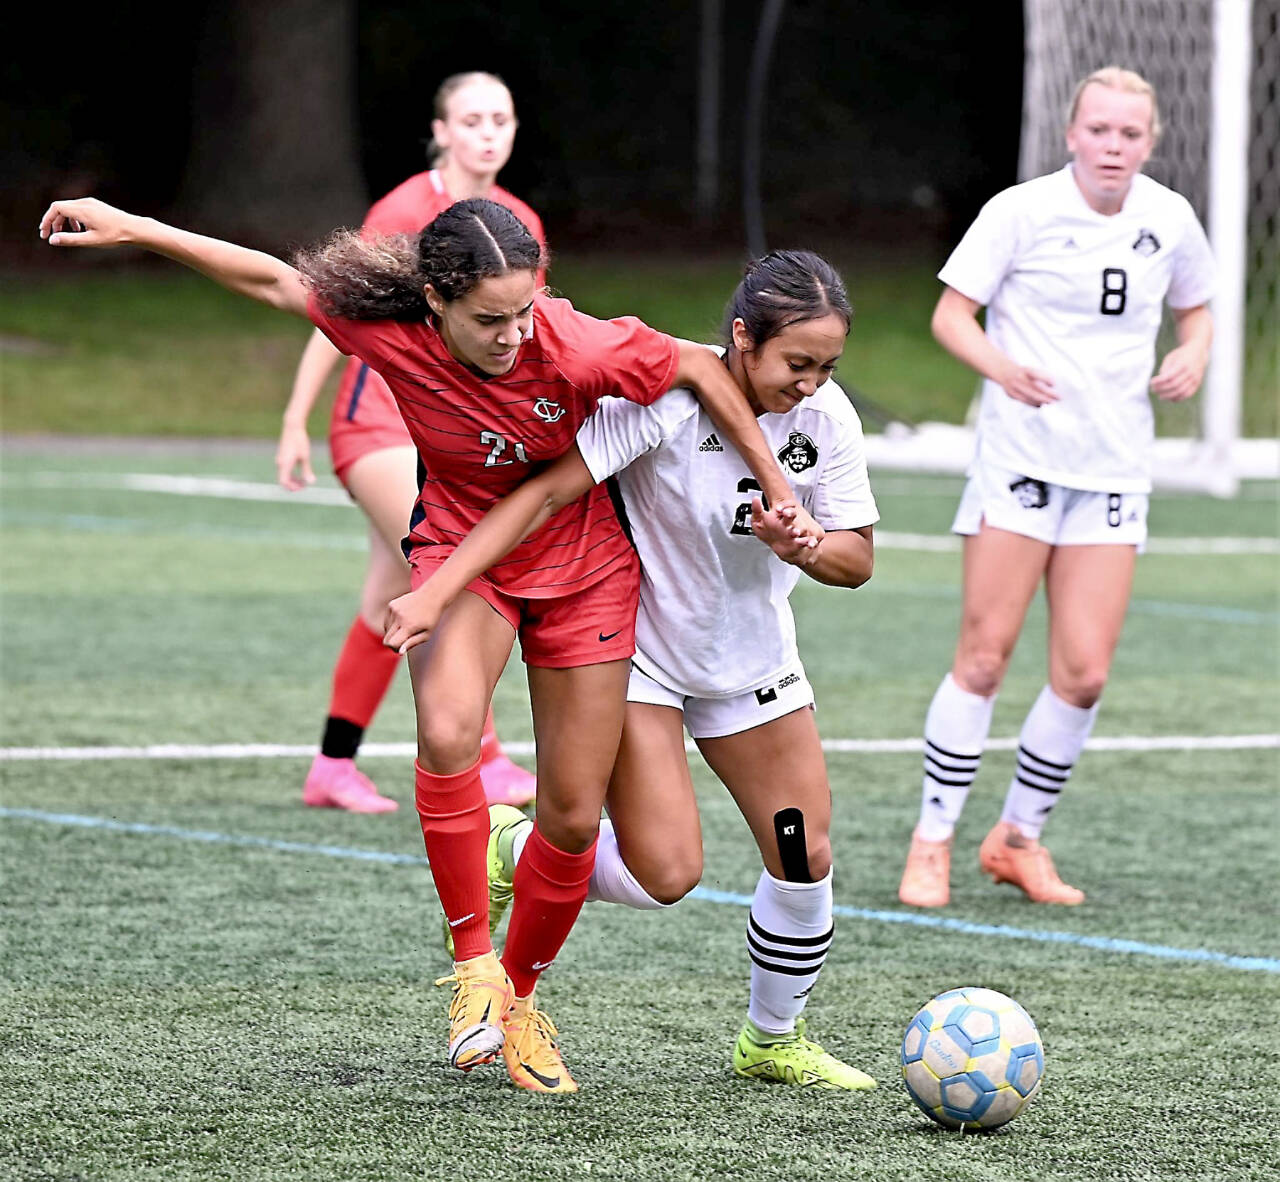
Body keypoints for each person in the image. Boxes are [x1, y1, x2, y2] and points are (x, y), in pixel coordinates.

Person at [40, 194, 811, 1094]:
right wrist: (138, 229)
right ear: (434, 303)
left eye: (526, 310)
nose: (515, 335)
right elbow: (277, 281)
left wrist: (772, 481)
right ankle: (475, 970)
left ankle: (520, 1005)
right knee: (448, 732)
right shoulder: (389, 330)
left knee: (570, 814)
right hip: (459, 543)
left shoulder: (578, 343)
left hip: (586, 565)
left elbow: (698, 368)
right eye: (490, 318)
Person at [384, 250, 880, 1090]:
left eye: (827, 367)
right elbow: (545, 492)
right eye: (796, 364)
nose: (810, 384)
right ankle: (517, 847)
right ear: (741, 338)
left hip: (753, 665)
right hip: (643, 660)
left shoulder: (828, 422)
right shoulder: (663, 402)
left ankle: (772, 1040)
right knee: (667, 876)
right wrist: (441, 586)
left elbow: (858, 561)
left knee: (803, 851)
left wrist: (810, 545)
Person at [896, 66, 1215, 909]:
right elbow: (950, 315)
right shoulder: (1020, 211)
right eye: (1100, 131)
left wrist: (1196, 352)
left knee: (1082, 674)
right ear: (1072, 135)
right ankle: (932, 842)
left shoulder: (1169, 219)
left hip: (1113, 469)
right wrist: (1004, 369)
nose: (1114, 146)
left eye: (1130, 134)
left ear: (1151, 142)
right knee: (985, 656)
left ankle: (1017, 839)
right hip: (1021, 463)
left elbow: (1199, 309)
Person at [277, 72, 543, 813]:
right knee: (450, 574)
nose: (488, 132)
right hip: (379, 426)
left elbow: (521, 338)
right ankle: (483, 761)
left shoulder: (516, 220)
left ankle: (332, 766)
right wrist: (297, 417)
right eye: (472, 119)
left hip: (447, 433)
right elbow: (334, 306)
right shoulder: (405, 208)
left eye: (501, 118)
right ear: (443, 131)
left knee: (389, 596)